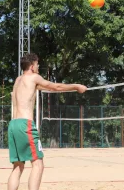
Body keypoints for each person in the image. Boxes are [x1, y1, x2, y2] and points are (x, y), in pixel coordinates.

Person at [7, 53, 87, 190]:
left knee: (18, 166)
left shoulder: (18, 80)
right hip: (25, 125)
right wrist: (77, 86)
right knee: (38, 164)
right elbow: (56, 87)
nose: (38, 67)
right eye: (37, 64)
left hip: (13, 125)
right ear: (32, 66)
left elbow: (47, 88)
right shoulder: (34, 77)